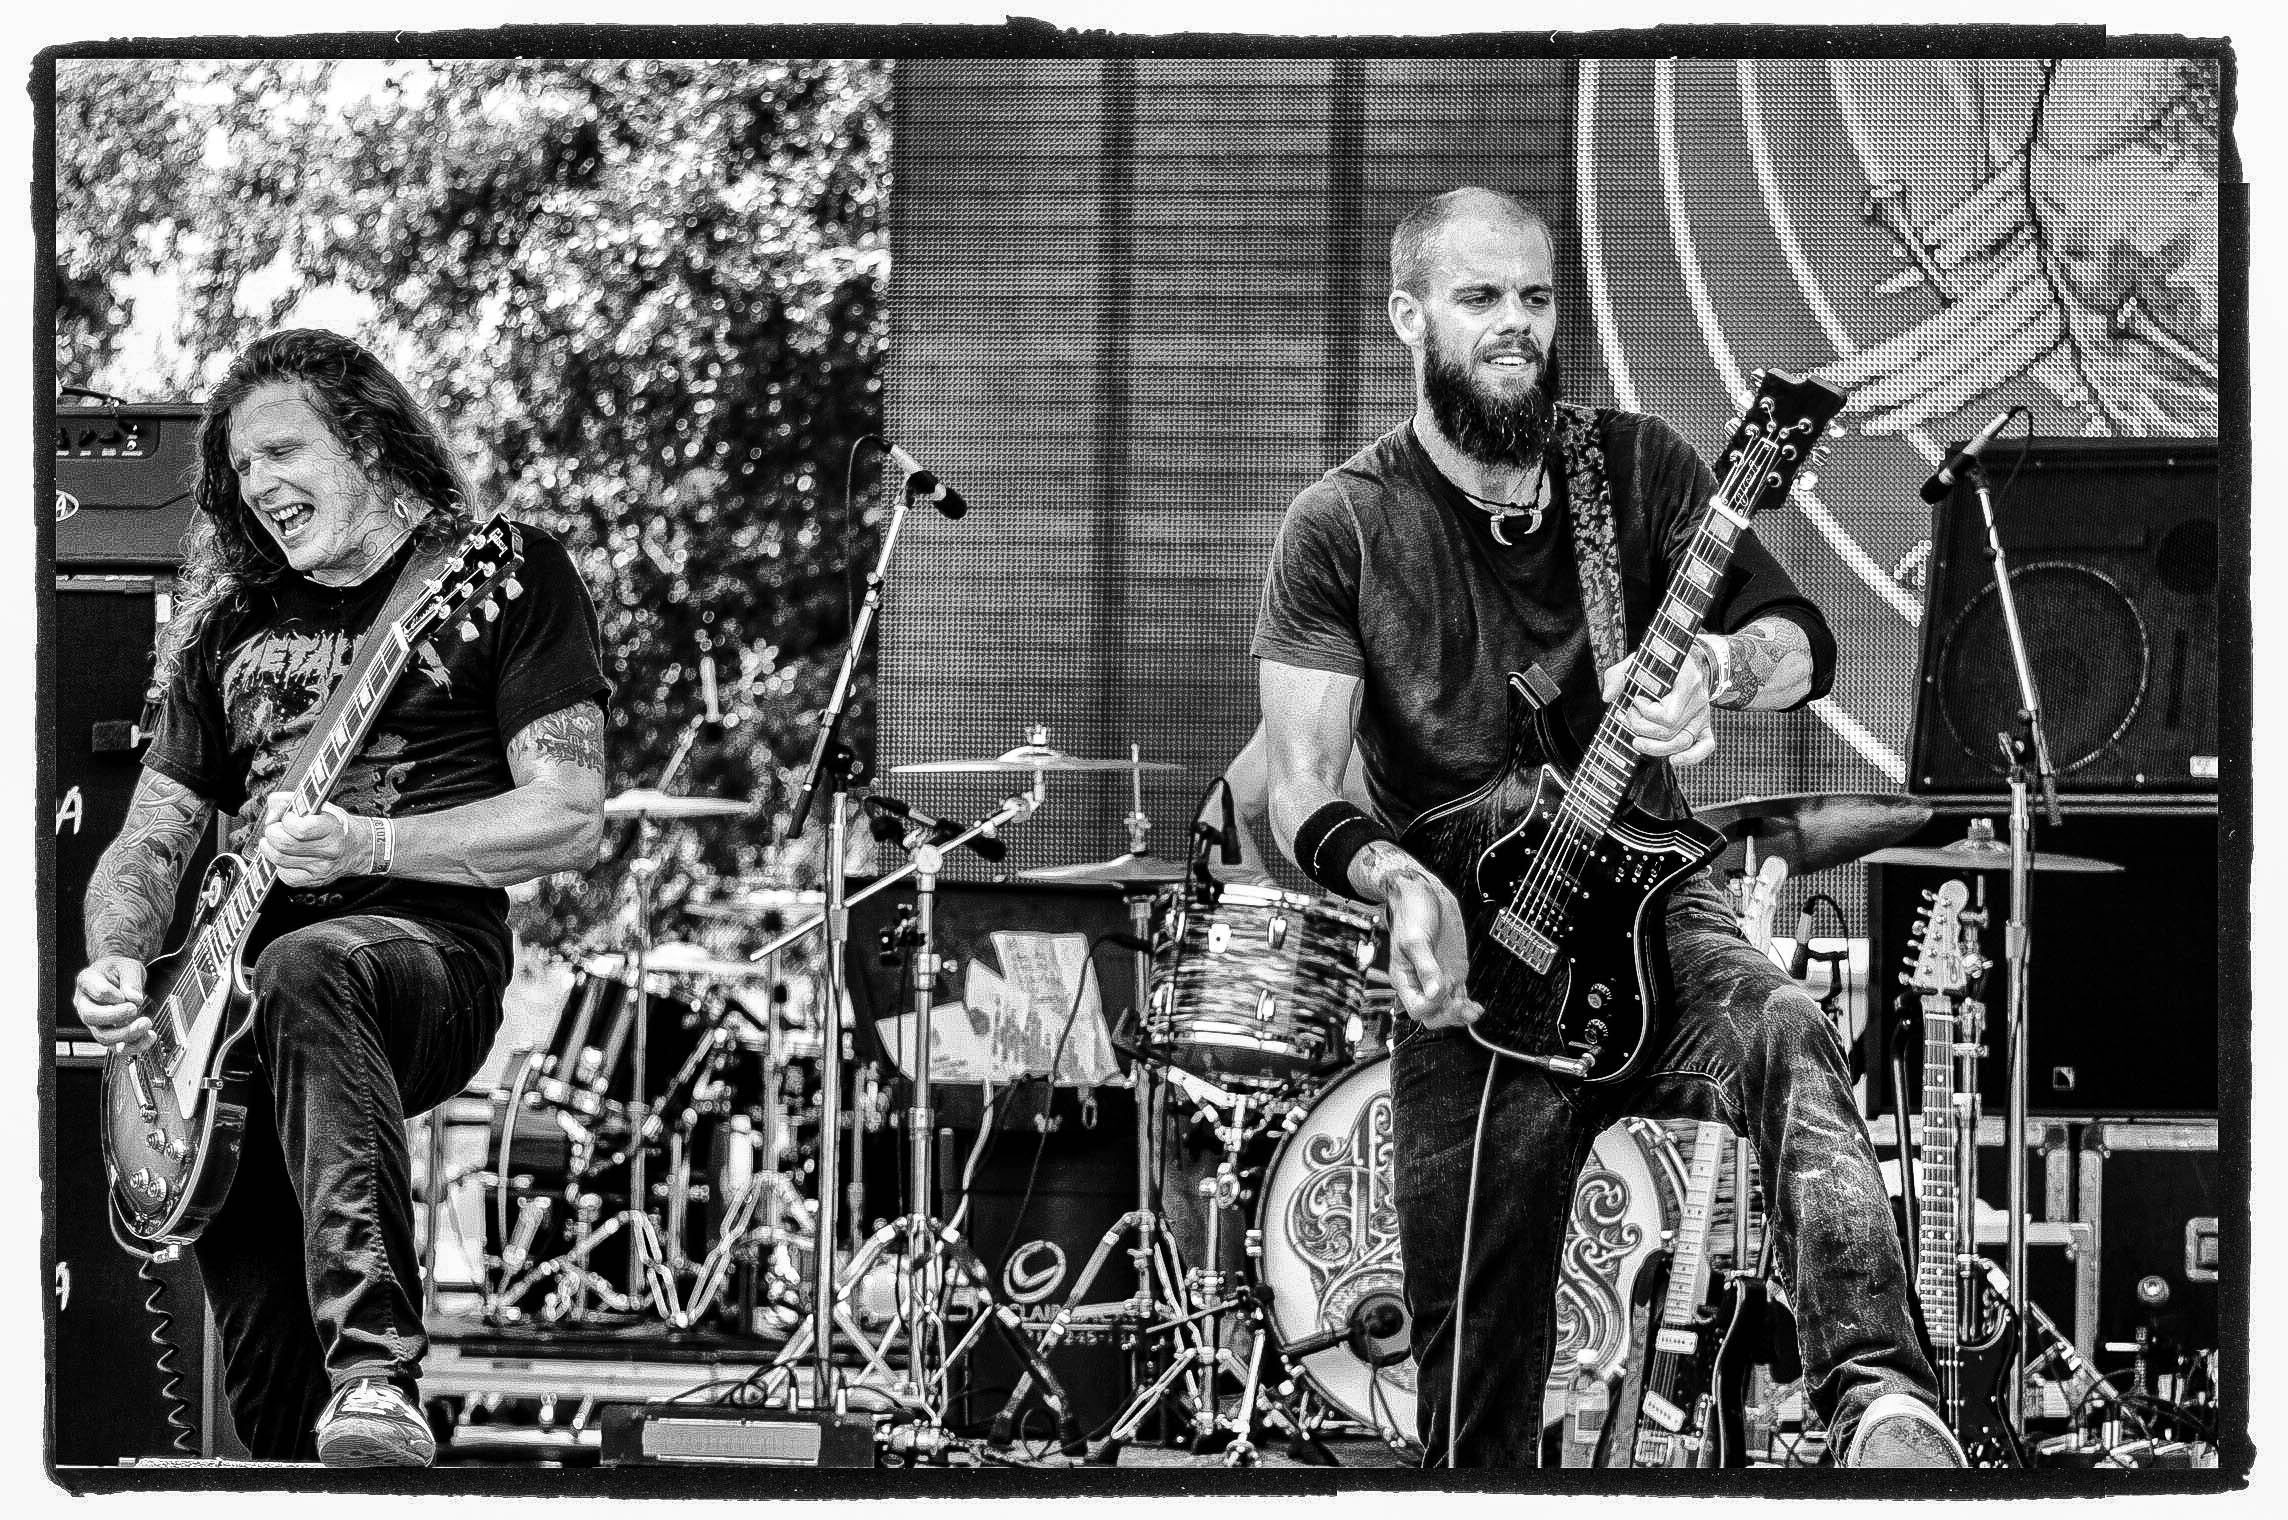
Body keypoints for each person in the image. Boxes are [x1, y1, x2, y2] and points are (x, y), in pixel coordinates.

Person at [1252, 188, 1960, 1469]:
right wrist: (1395, 879)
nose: (1515, 324)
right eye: (1479, 297)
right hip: (1475, 952)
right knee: (1474, 1391)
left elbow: (1800, 641)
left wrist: (1719, 672)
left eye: (1534, 296)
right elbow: (1296, 782)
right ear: (1409, 316)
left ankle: (1878, 1400)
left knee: (1785, 1026)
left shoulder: (1635, 467)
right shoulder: (1341, 523)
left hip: (1644, 895)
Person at [72, 329, 610, 1468]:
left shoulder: (498, 576)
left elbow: (568, 813)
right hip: (226, 1008)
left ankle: (377, 1373)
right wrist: (119, 952)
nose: (259, 484)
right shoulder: (228, 627)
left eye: (283, 451)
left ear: (367, 441)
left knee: (310, 963)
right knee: (271, 1391)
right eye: (240, 468)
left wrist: (371, 840)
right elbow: (154, 836)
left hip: (421, 959)